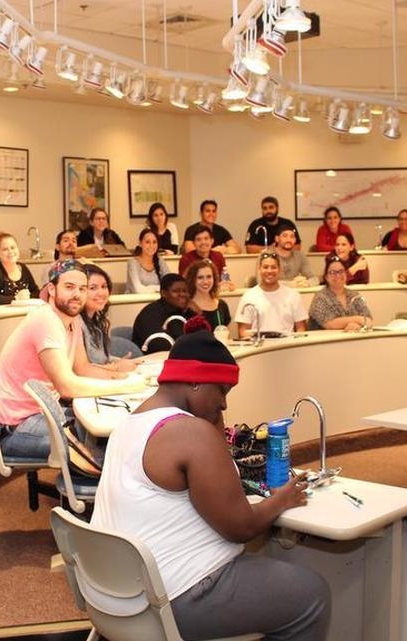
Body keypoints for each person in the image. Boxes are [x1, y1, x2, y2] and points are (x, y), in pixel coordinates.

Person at [91, 325, 330, 641]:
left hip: (114, 595)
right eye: (222, 391)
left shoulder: (129, 424)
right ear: (195, 381)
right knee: (312, 595)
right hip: (175, 599)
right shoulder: (190, 433)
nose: (224, 406)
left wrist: (212, 432)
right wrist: (282, 499)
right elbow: (241, 527)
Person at [0, 259, 146, 460]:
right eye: (69, 287)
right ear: (52, 289)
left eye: (82, 289)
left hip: (46, 412)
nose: (77, 295)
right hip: (19, 426)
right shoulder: (46, 320)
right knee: (107, 448)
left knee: (116, 434)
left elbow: (83, 368)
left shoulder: (72, 319)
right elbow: (67, 387)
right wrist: (127, 387)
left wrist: (120, 377)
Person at [80, 264, 138, 373]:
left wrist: (120, 362)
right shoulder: (75, 324)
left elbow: (102, 360)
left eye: (104, 286)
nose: (101, 293)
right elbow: (80, 369)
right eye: (93, 288)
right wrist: (116, 367)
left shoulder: (96, 322)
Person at [235, 252, 308, 337]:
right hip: (258, 346)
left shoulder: (294, 296)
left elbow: (301, 328)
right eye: (265, 267)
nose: (269, 271)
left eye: (273, 267)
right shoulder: (248, 297)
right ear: (259, 269)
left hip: (287, 346)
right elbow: (243, 332)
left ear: (280, 270)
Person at [132, 274, 194, 354]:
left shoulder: (186, 311)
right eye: (176, 291)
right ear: (164, 293)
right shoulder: (151, 313)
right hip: (151, 360)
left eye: (184, 291)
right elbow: (159, 345)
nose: (182, 294)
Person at [309, 256, 373, 331]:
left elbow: (368, 320)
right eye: (332, 272)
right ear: (326, 277)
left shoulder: (354, 295)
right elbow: (329, 324)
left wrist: (355, 325)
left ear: (346, 274)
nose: (338, 275)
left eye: (341, 271)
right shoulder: (320, 297)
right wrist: (358, 319)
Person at [0, 232, 40, 305]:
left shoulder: (23, 268)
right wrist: (16, 298)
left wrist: (26, 296)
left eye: (13, 247)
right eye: (5, 249)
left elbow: (36, 292)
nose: (10, 252)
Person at [178, 226, 232, 290]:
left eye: (206, 239)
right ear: (193, 243)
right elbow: (184, 283)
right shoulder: (186, 259)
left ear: (212, 241)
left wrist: (228, 284)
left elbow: (225, 277)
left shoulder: (218, 256)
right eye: (198, 239)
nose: (203, 242)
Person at [185, 259, 231, 331]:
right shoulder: (186, 308)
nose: (205, 281)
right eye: (200, 277)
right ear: (192, 280)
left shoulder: (222, 305)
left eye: (209, 277)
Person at [126, 228, 170, 294]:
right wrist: (159, 288)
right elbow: (137, 290)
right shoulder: (133, 262)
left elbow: (170, 284)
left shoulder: (160, 261)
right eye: (147, 242)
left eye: (154, 242)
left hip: (155, 300)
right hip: (135, 302)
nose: (151, 246)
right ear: (140, 243)